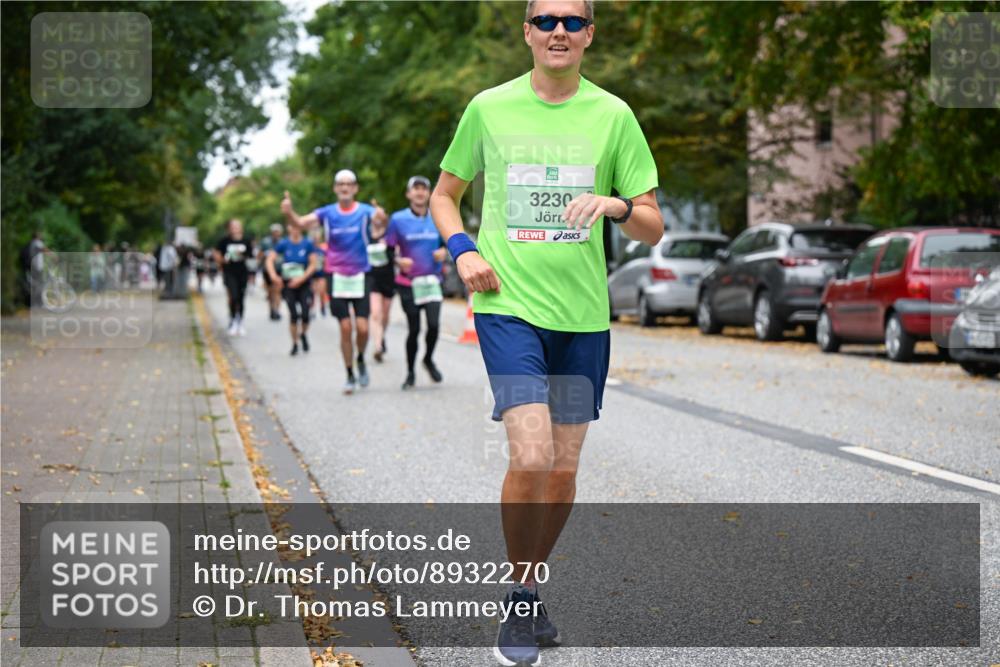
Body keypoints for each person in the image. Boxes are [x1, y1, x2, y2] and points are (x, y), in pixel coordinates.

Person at [430, 2, 663, 665]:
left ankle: (529, 589)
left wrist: (617, 204)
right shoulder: (489, 108)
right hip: (507, 306)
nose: (559, 31)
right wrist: (462, 250)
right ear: (527, 32)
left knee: (562, 469)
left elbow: (652, 225)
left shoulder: (613, 115)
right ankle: (518, 595)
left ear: (590, 34)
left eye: (573, 21)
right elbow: (445, 194)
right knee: (531, 456)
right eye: (546, 20)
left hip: (583, 317)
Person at [281, 169, 387, 394]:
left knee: (363, 328)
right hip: (336, 275)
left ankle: (360, 358)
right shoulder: (326, 213)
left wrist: (382, 216)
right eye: (341, 184)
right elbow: (300, 223)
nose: (345, 187)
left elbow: (382, 224)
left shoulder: (365, 211)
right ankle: (349, 374)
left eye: (349, 184)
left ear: (355, 188)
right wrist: (289, 213)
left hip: (361, 274)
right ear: (335, 188)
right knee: (346, 327)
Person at [385, 176, 446, 389]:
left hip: (432, 281)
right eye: (416, 188)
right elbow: (388, 251)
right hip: (408, 283)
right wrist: (398, 261)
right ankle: (410, 372)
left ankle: (428, 359)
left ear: (429, 193)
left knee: (434, 325)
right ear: (408, 194)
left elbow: (446, 243)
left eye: (424, 188)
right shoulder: (397, 219)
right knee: (414, 329)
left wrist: (443, 252)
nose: (420, 192)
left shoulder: (438, 217)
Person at [266, 223, 318, 356]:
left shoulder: (307, 244)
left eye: (297, 227)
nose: (295, 230)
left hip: (304, 284)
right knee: (293, 315)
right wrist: (273, 275)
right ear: (289, 228)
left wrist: (302, 278)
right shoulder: (283, 244)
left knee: (305, 314)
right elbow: (270, 259)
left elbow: (313, 264)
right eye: (293, 228)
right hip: (289, 284)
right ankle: (294, 343)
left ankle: (303, 334)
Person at [367, 199, 397, 362]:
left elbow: (397, 253)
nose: (377, 218)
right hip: (372, 278)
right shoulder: (366, 234)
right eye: (375, 216)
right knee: (375, 313)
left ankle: (381, 336)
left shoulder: (389, 234)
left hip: (388, 278)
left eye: (381, 215)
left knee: (385, 315)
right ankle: (377, 346)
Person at [214, 219, 255, 336]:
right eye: (233, 226)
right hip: (229, 272)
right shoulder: (224, 241)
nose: (235, 228)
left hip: (242, 272)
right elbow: (216, 254)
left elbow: (251, 256)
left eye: (237, 226)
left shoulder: (246, 241)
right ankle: (232, 319)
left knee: (241, 297)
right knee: (233, 296)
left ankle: (240, 321)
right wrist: (222, 260)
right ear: (229, 228)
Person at [260, 223, 285, 321]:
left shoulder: (283, 242)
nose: (276, 233)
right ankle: (271, 309)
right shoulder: (265, 242)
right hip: (267, 269)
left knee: (277, 290)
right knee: (270, 291)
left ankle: (277, 310)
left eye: (278, 231)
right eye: (275, 231)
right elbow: (260, 254)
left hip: (279, 269)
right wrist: (265, 255)